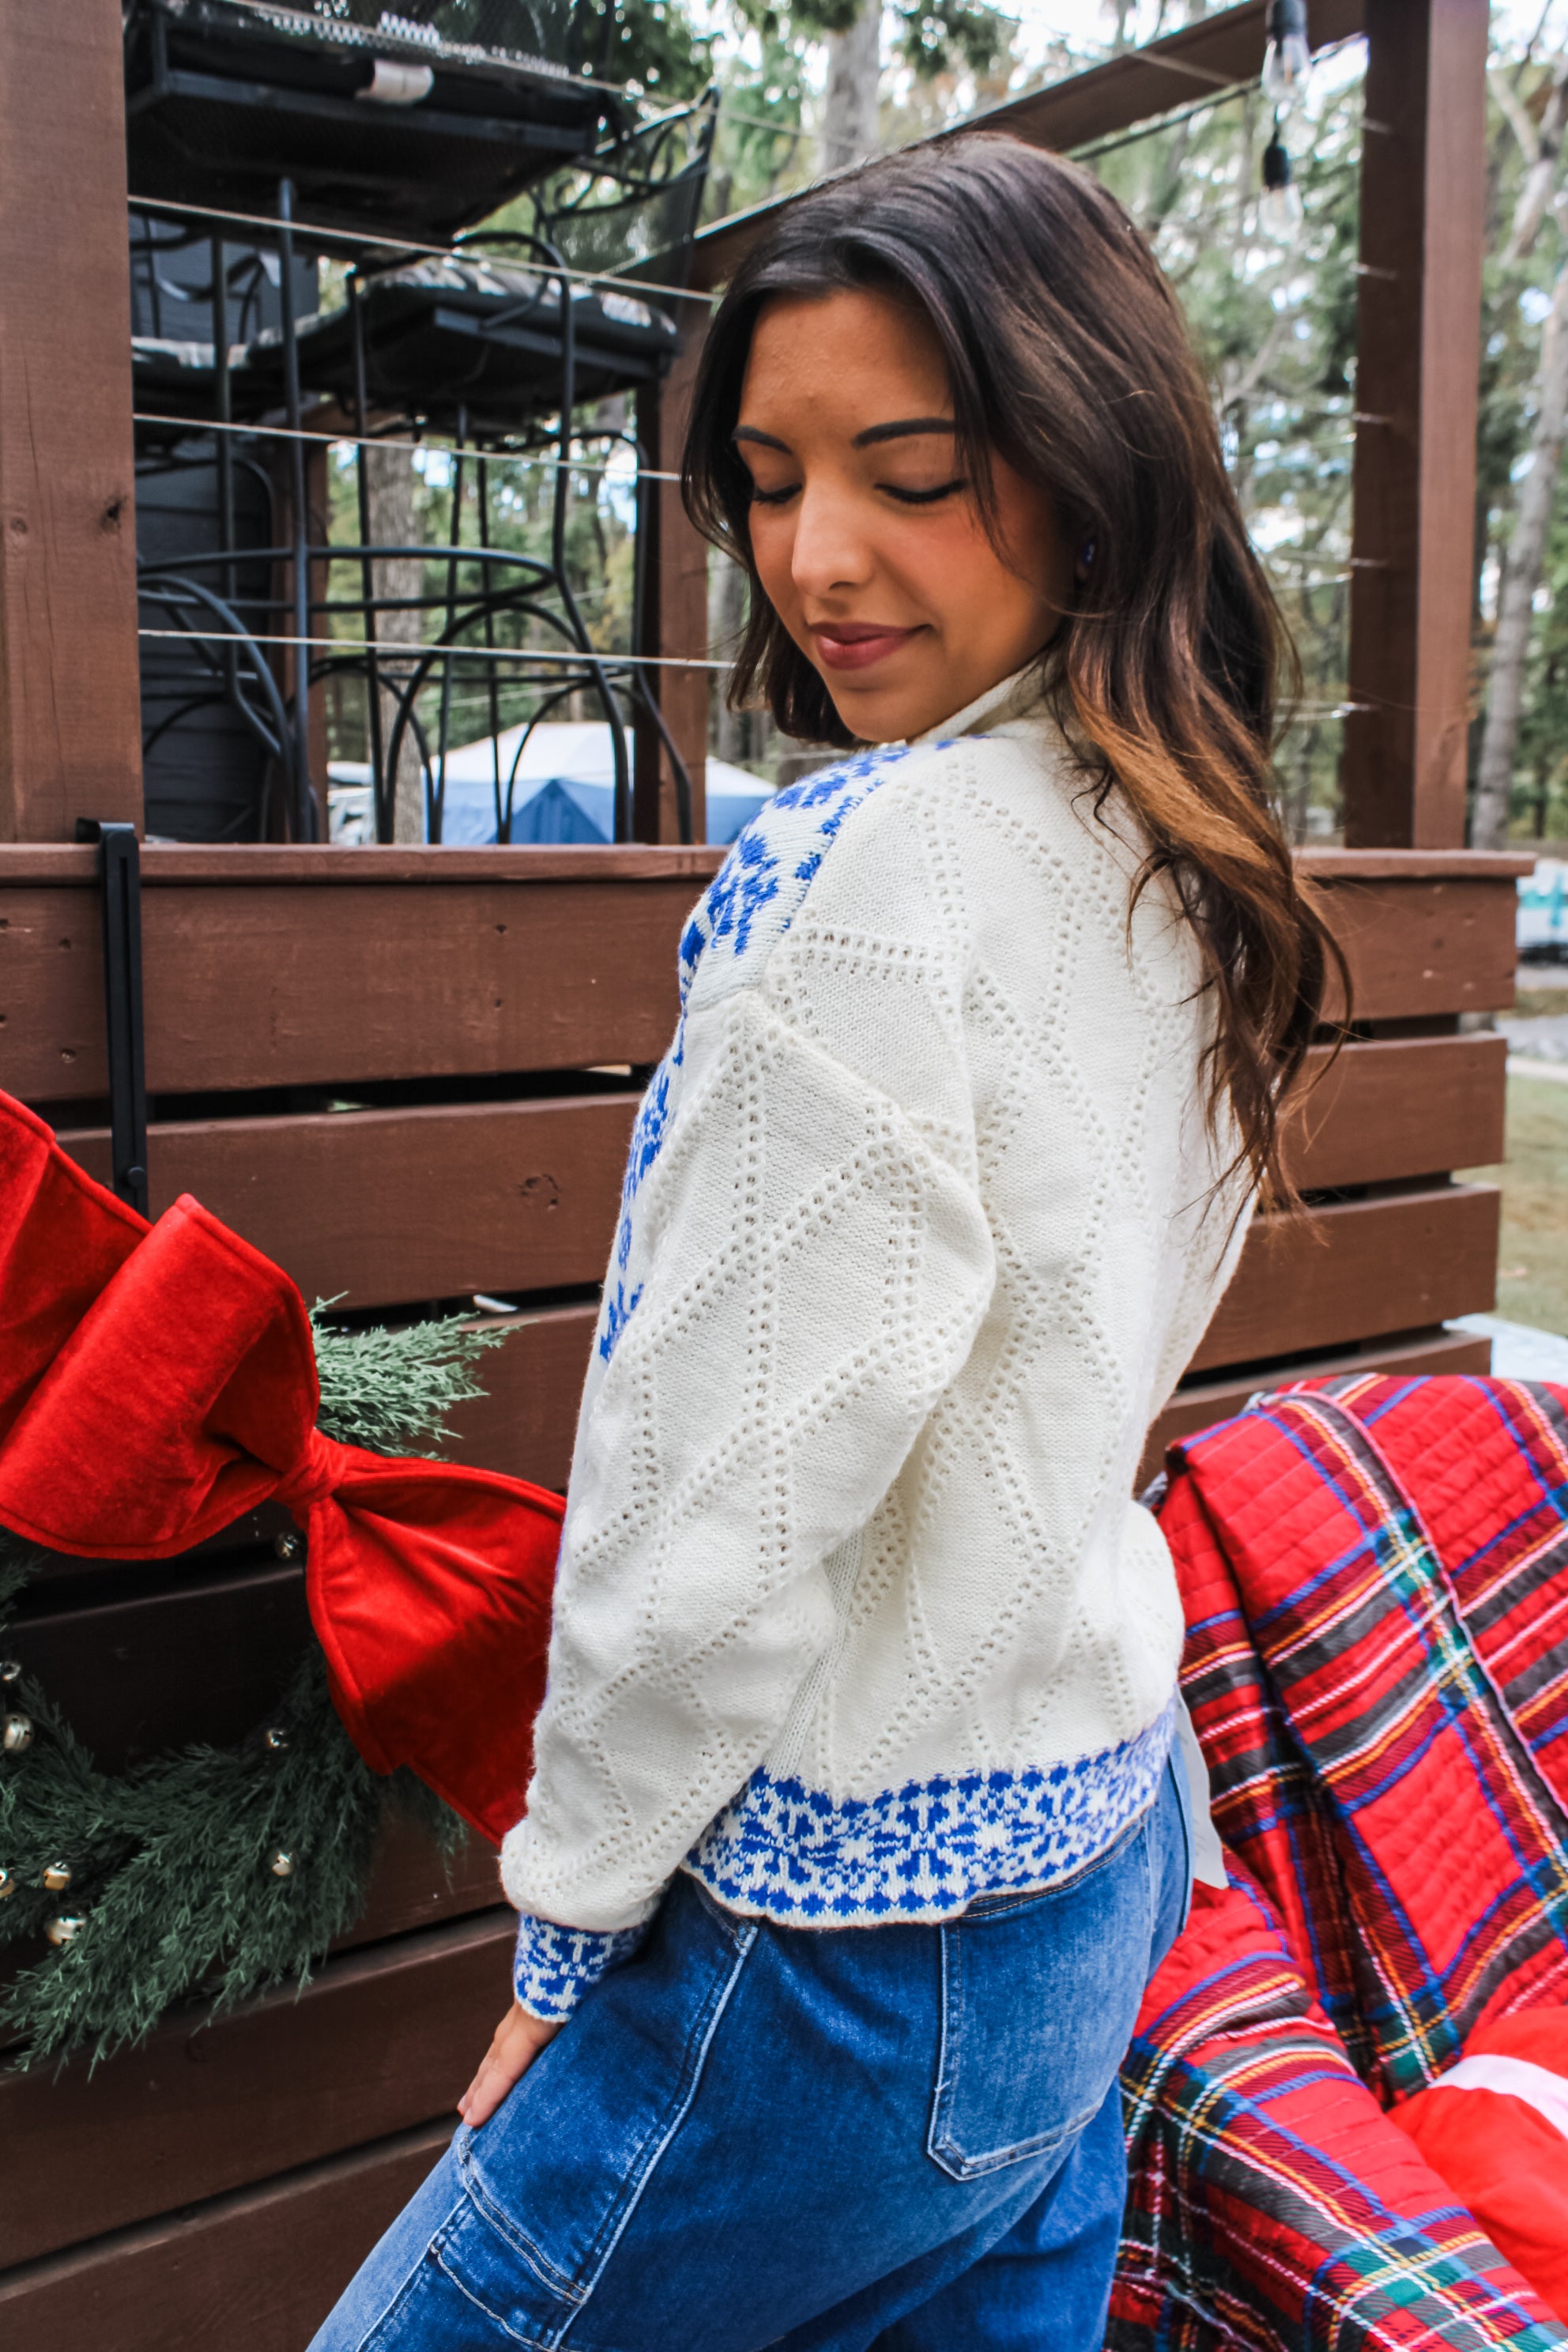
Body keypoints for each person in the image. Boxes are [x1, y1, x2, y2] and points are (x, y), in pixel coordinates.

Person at [310, 133, 1339, 2352]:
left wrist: (568, 1930)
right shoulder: (1179, 837)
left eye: (912, 473)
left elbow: (721, 1485)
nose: (817, 557)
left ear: (1090, 460)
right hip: (1090, 1858)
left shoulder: (880, 869)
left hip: (834, 1957)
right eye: (769, 483)